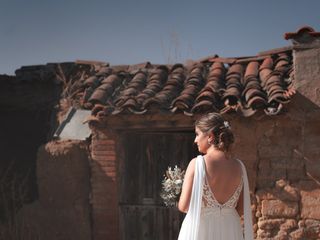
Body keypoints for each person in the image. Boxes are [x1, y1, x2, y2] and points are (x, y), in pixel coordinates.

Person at [177, 112, 253, 240]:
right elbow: (240, 209)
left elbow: (184, 206)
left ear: (210, 136)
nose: (195, 140)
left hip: (201, 230)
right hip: (230, 229)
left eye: (197, 134)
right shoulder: (239, 166)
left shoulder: (197, 164)